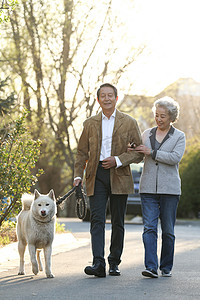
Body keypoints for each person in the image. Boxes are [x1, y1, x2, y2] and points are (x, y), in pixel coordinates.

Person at [73, 83, 143, 277]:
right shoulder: (90, 123)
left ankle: (114, 262)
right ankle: (98, 263)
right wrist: (78, 175)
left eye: (110, 95)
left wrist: (118, 160)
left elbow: (139, 153)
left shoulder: (129, 122)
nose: (106, 98)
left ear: (116, 98)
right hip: (96, 175)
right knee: (97, 220)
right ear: (98, 99)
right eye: (102, 95)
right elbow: (81, 153)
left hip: (120, 175)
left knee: (118, 221)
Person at [129, 96, 186, 278]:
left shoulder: (179, 136)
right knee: (149, 228)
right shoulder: (147, 134)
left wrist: (151, 152)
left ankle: (166, 266)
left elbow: (174, 158)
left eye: (163, 116)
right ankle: (151, 267)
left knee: (168, 231)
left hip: (170, 190)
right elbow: (140, 156)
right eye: (157, 115)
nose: (159, 119)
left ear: (171, 117)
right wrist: (134, 150)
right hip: (147, 190)